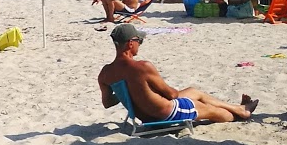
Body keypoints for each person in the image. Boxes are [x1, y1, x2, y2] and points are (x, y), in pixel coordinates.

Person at [98, 24, 256, 123]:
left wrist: (126, 92)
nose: (140, 44)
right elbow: (172, 95)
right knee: (211, 111)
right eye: (139, 40)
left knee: (194, 91)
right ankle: (240, 113)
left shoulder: (105, 73)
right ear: (130, 43)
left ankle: (239, 108)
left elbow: (107, 103)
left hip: (144, 116)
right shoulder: (142, 67)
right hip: (165, 112)